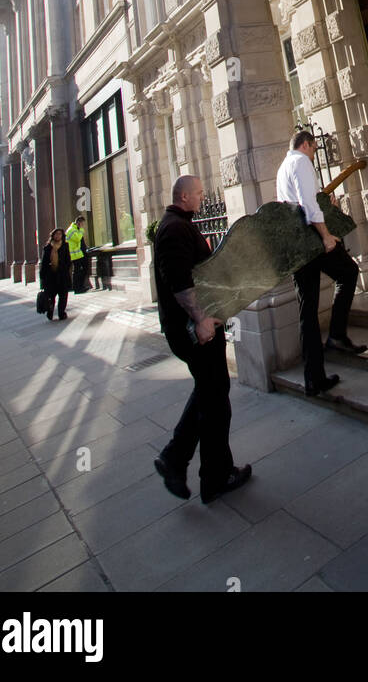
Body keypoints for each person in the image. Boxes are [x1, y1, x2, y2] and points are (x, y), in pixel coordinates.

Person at [152, 174, 251, 504]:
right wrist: (200, 320)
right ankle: (214, 477)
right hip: (194, 332)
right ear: (183, 196)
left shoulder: (179, 224)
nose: (202, 196)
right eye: (197, 193)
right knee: (215, 403)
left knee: (210, 395)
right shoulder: (173, 229)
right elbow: (179, 282)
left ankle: (176, 460)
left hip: (198, 329)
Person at [276, 130, 367, 397]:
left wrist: (326, 203)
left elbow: (303, 201)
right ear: (306, 145)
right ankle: (337, 336)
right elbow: (307, 204)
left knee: (307, 310)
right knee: (349, 272)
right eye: (315, 149)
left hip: (297, 244)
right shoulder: (301, 162)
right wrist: (326, 235)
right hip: (312, 241)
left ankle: (313, 378)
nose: (315, 154)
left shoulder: (284, 166)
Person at [39, 228, 72, 321]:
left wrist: (66, 268)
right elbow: (44, 263)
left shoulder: (65, 246)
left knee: (63, 295)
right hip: (51, 276)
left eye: (60, 234)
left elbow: (68, 260)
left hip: (62, 275)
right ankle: (50, 312)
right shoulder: (47, 248)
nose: (58, 236)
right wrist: (42, 278)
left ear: (62, 236)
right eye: (56, 234)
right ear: (53, 235)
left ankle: (61, 313)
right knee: (51, 296)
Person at [66, 216, 88, 293]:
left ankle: (80, 287)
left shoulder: (75, 229)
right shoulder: (71, 230)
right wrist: (81, 230)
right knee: (77, 271)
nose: (83, 225)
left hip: (78, 254)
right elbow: (77, 238)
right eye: (82, 223)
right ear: (78, 222)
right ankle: (77, 288)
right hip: (74, 255)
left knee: (80, 270)